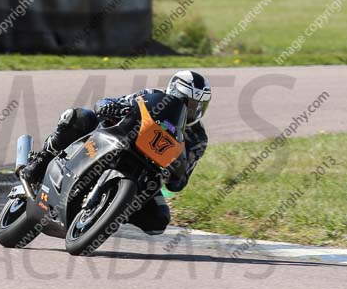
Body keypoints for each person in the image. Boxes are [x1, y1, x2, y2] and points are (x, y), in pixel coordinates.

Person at [20, 70, 211, 235]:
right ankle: (40, 163)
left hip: (146, 172)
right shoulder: (152, 96)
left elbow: (179, 182)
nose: (194, 110)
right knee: (78, 117)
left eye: (199, 105)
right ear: (174, 93)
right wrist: (112, 107)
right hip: (115, 140)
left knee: (159, 220)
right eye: (190, 103)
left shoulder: (198, 138)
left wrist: (176, 170)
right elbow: (110, 102)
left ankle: (109, 211)